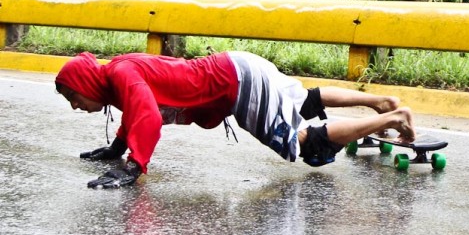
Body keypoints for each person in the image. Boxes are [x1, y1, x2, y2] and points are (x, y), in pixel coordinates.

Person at [55, 51, 416, 189]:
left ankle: (396, 117)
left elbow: (147, 116)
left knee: (304, 145)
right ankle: (379, 102)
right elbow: (135, 114)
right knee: (301, 100)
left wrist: (133, 167)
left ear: (85, 83)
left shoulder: (121, 76)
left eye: (73, 96)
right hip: (238, 65)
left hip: (238, 85)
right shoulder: (118, 75)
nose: (75, 105)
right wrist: (118, 148)